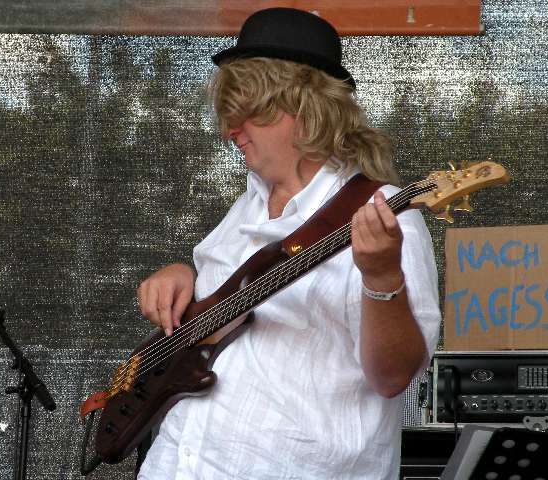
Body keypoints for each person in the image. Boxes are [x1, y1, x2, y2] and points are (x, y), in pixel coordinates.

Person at [136, 7, 441, 479]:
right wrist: (182, 274)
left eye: (247, 112)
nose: (230, 130)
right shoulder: (246, 206)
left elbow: (392, 376)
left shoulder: (386, 216)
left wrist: (382, 277)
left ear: (305, 109)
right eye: (228, 114)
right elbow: (219, 310)